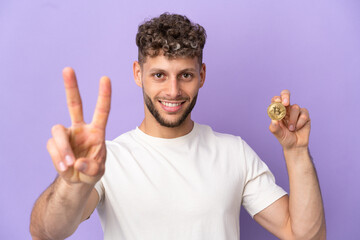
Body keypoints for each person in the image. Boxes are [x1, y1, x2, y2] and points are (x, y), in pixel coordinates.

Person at [30, 13, 326, 240]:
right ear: (138, 73)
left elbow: (304, 235)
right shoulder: (106, 159)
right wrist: (71, 184)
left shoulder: (233, 152)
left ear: (202, 75)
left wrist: (297, 151)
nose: (173, 91)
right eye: (159, 75)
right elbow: (46, 233)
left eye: (185, 75)